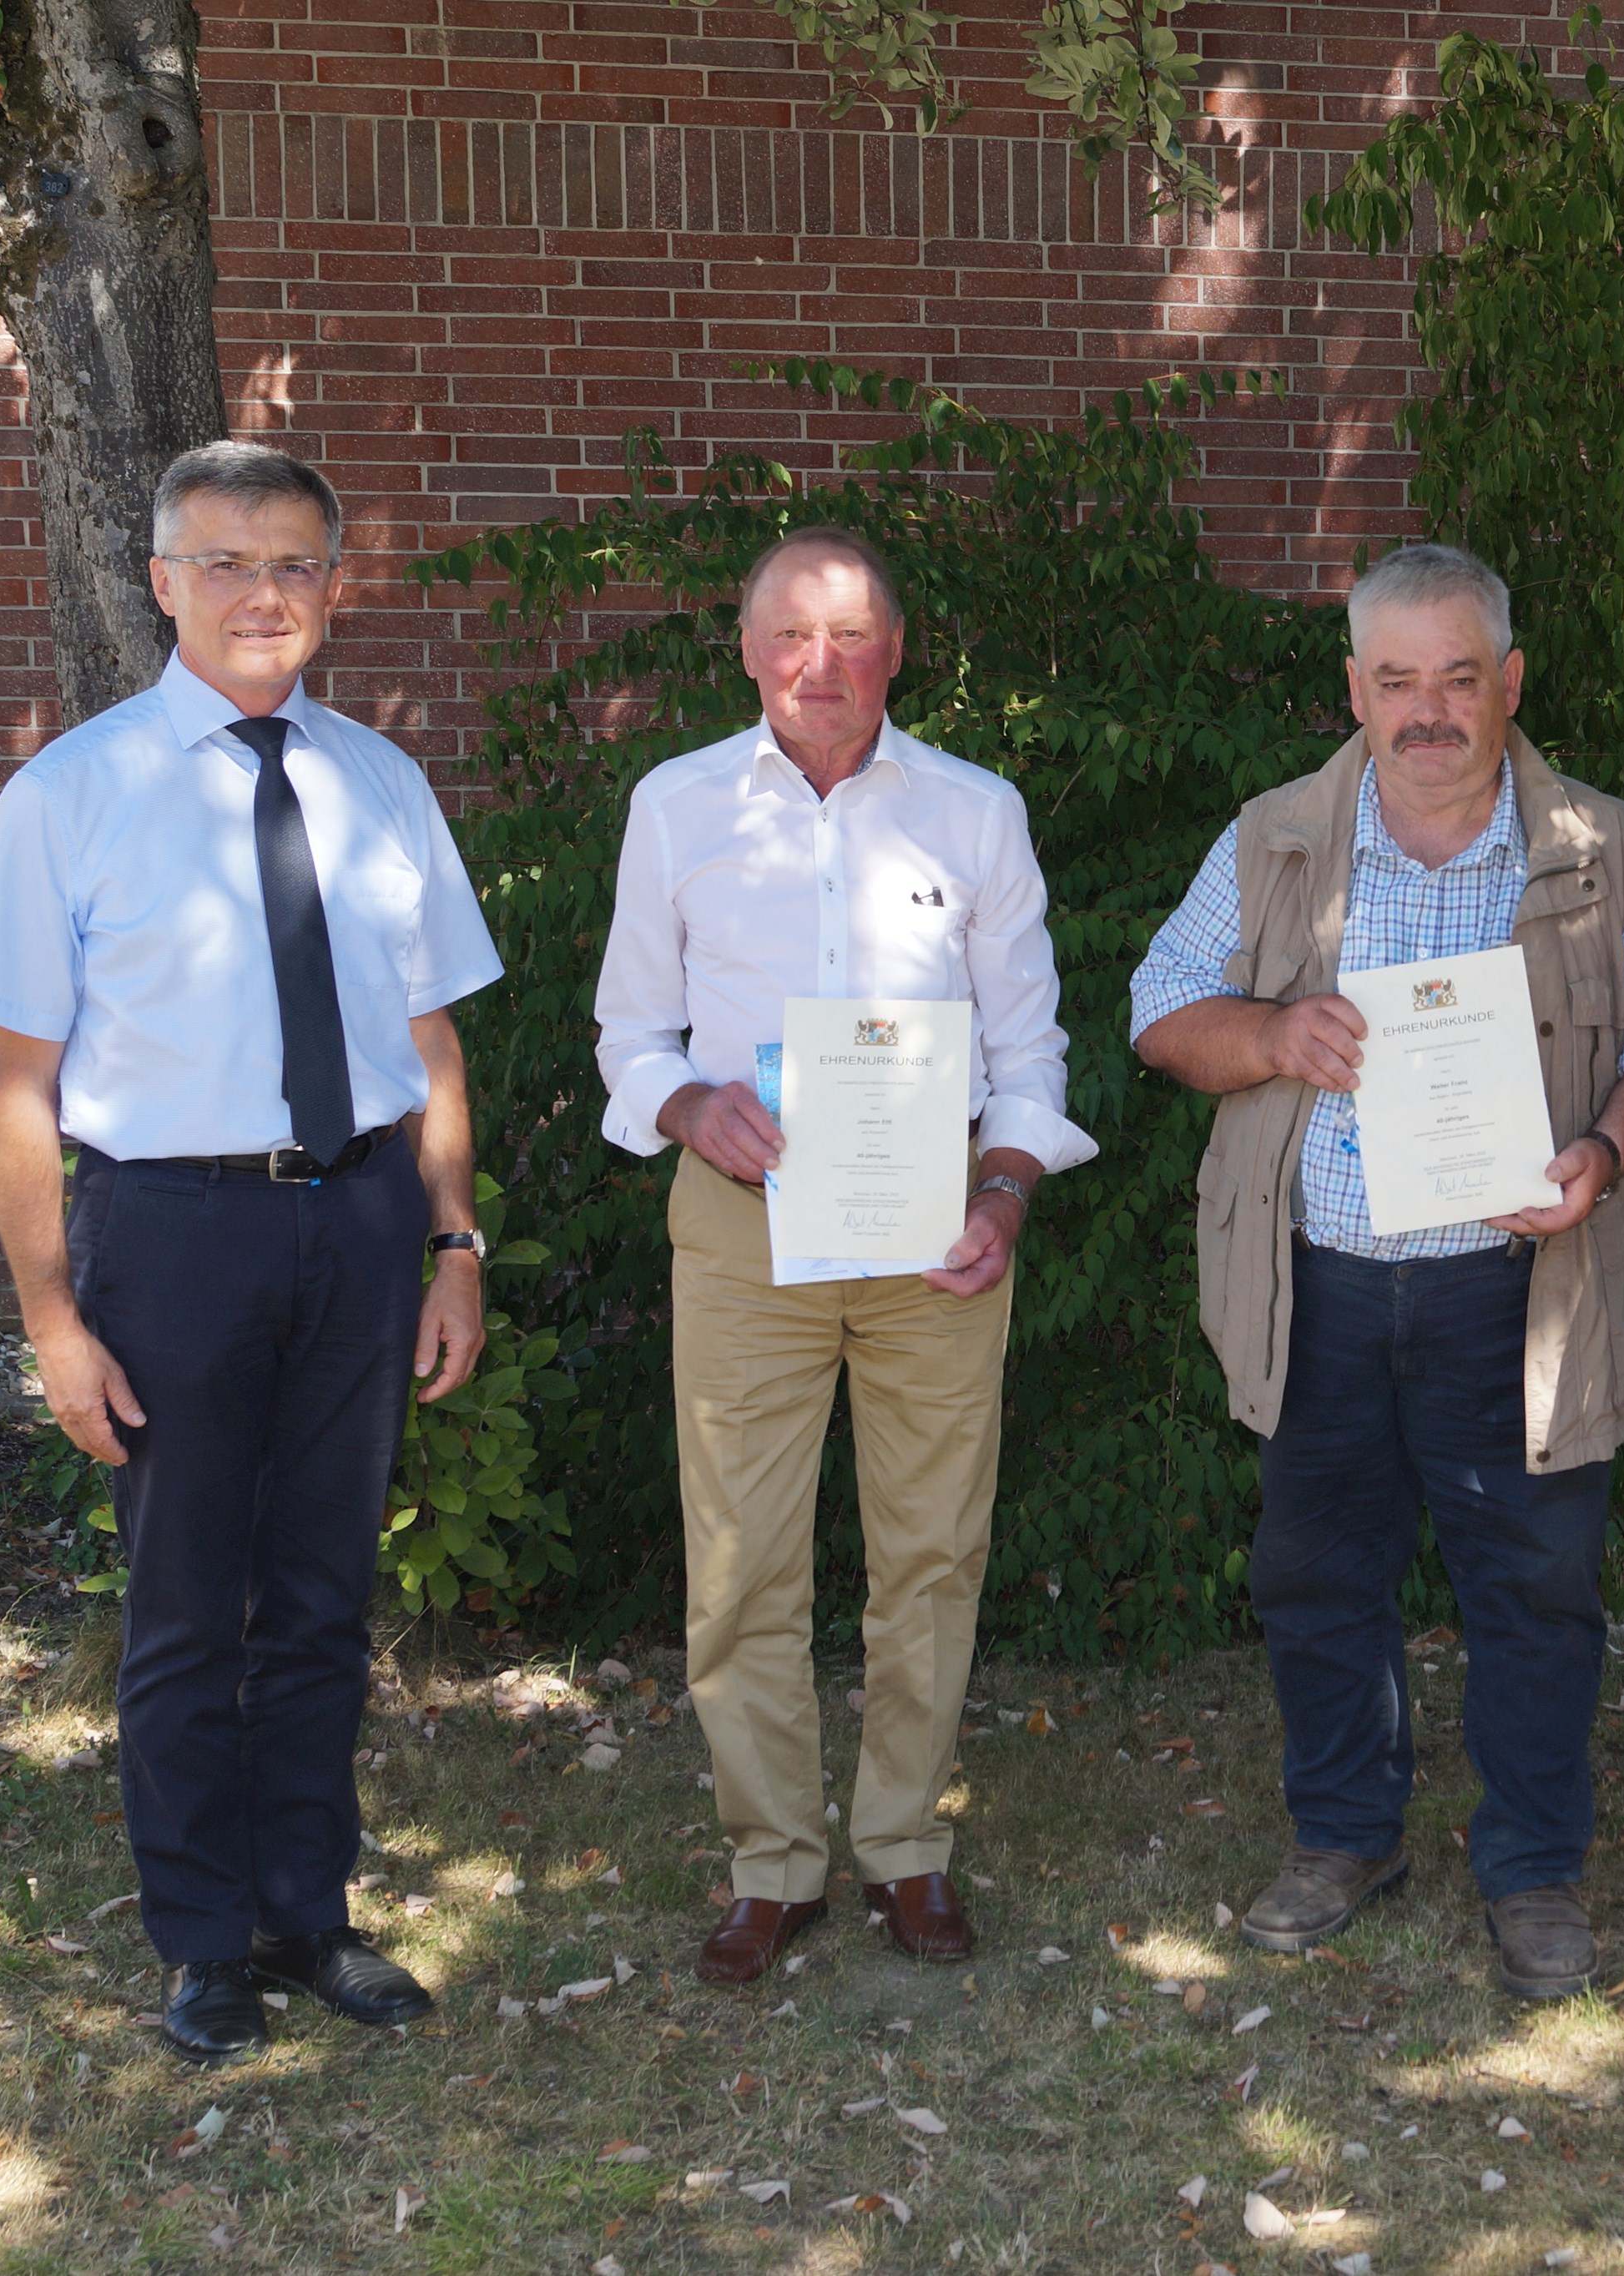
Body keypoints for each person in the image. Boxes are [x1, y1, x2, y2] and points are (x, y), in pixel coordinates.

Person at [0, 442, 502, 2065]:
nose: (262, 592)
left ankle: (306, 1908)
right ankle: (201, 1937)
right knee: (189, 1603)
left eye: (292, 564)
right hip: (171, 1232)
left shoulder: (381, 781)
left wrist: (456, 1238)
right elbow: (12, 1081)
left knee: (325, 1593)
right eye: (225, 561)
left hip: (360, 1216)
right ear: (161, 579)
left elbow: (435, 1042)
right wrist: (52, 1313)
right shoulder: (71, 792)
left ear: (335, 584)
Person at [1130, 542, 1624, 2000]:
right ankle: (1345, 1834)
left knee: (1536, 1587)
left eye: (1458, 677)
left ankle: (1534, 1867)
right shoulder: (1272, 841)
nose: (1428, 709)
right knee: (1317, 1576)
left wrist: (1609, 1160)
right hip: (1320, 1284)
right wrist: (1272, 1036)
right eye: (1397, 680)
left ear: (1509, 684)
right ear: (1355, 691)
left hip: (1522, 1293)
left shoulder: (1611, 848)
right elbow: (1158, 1011)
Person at [592, 525, 1096, 1986]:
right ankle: (772, 1862)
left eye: (856, 634)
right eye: (793, 636)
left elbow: (1028, 1043)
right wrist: (686, 1104)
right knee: (740, 1560)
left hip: (935, 1229)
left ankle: (904, 1848)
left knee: (930, 1549)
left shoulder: (974, 812)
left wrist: (1006, 1192)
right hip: (745, 1234)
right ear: (748, 651)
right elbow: (629, 1032)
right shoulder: (677, 807)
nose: (825, 665)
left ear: (899, 649)